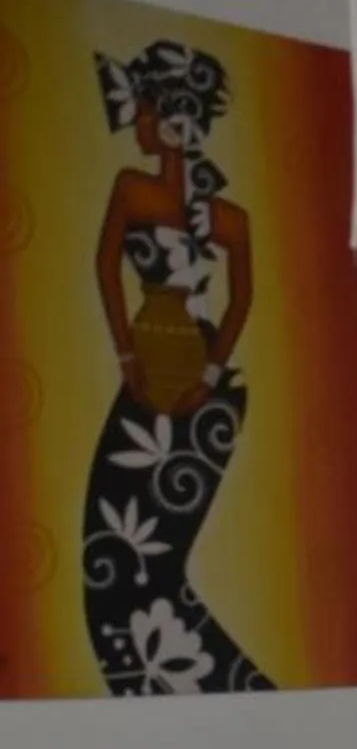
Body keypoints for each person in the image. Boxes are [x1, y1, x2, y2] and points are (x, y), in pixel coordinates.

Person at [82, 39, 270, 696]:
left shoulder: (223, 215)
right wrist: (128, 355)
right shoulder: (135, 189)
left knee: (138, 566)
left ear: (168, 116)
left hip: (190, 364)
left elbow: (243, 296)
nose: (133, 121)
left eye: (142, 109)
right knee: (118, 555)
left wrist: (212, 377)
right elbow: (104, 268)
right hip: (154, 360)